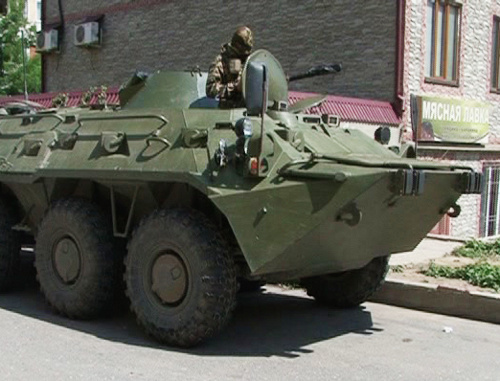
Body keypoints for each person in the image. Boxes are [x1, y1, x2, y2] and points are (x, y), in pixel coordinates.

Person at [206, 26, 254, 109]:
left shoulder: (249, 61)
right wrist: (235, 87)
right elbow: (210, 90)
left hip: (248, 109)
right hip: (226, 112)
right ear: (237, 46)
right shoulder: (221, 62)